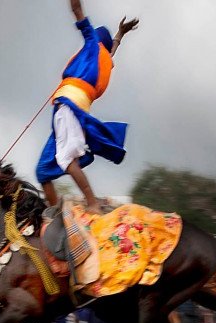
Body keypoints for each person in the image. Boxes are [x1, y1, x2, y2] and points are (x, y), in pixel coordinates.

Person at [36, 0, 139, 214]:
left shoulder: (93, 44)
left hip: (69, 106)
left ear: (97, 41)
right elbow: (112, 50)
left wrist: (77, 8)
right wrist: (120, 34)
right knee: (43, 171)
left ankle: (92, 203)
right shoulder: (104, 60)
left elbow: (77, 9)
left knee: (66, 158)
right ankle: (55, 214)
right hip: (67, 109)